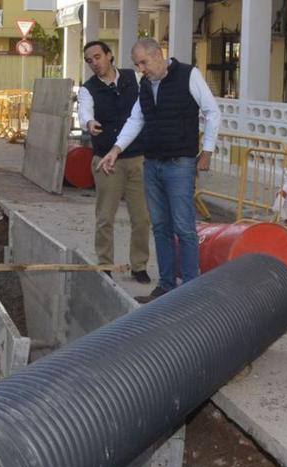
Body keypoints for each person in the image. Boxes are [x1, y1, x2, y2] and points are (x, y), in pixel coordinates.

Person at [99, 37, 221, 303]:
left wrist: (207, 151)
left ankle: (190, 289)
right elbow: (137, 119)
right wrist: (115, 150)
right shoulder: (145, 84)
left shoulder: (189, 75)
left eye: (144, 62)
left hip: (180, 163)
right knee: (160, 227)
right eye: (137, 64)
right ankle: (166, 285)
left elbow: (212, 111)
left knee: (184, 228)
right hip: (152, 163)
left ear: (158, 54)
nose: (141, 68)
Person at [77, 41, 152, 284]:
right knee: (105, 218)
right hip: (106, 162)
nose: (94, 63)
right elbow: (84, 112)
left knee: (141, 218)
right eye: (89, 60)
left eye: (97, 57)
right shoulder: (88, 89)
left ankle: (139, 265)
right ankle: (105, 265)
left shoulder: (134, 78)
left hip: (137, 158)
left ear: (110, 56)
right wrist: (89, 123)